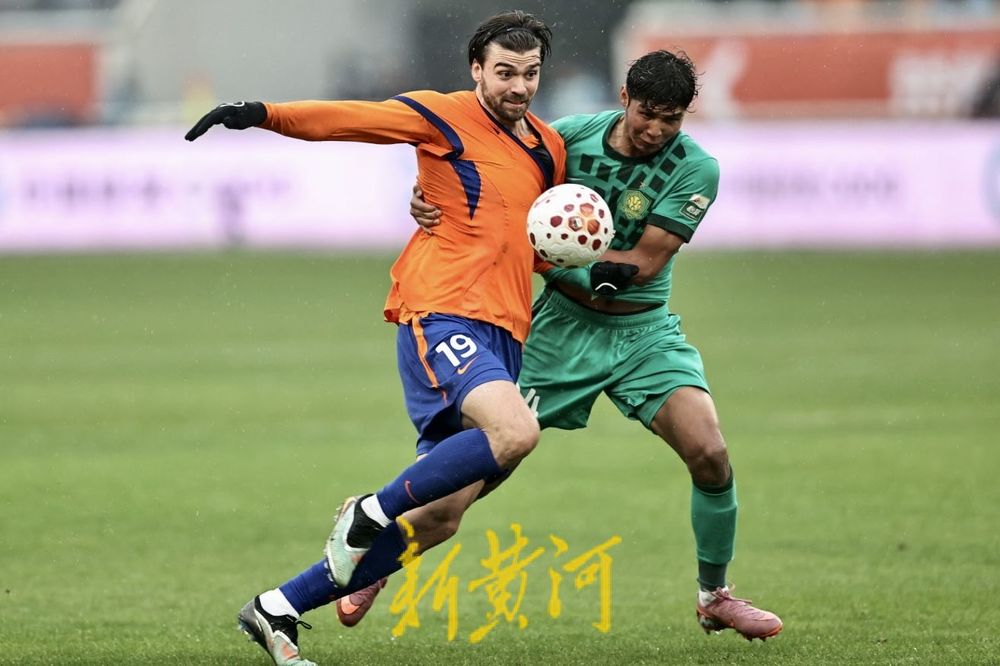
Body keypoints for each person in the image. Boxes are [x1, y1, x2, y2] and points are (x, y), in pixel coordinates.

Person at [185, 11, 569, 666]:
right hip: (442, 313)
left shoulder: (548, 148)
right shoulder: (443, 116)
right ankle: (369, 510)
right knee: (515, 433)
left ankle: (276, 607)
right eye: (504, 72)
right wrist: (260, 113)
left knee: (440, 518)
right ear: (477, 70)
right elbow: (350, 120)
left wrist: (582, 263)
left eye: (529, 73)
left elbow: (528, 240)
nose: (518, 86)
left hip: (505, 331)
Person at [404, 49, 783, 641]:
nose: (656, 129)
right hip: (561, 330)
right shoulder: (566, 139)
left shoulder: (695, 169)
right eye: (647, 113)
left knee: (709, 451)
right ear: (624, 97)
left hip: (644, 334)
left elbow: (644, 262)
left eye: (672, 119)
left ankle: (715, 596)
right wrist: (430, 195)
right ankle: (378, 550)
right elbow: (497, 191)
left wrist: (571, 265)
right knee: (471, 477)